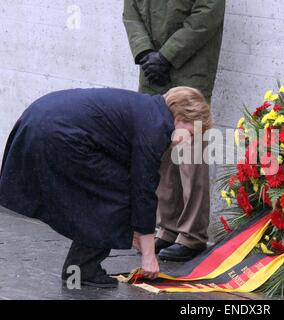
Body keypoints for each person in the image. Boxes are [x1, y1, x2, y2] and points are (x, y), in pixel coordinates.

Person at [0, 87, 212, 288]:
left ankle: (80, 267)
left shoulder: (149, 110)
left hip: (37, 119)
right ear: (182, 117)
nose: (188, 142)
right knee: (119, 196)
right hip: (57, 134)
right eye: (192, 134)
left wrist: (136, 231)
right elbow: (143, 190)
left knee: (110, 190)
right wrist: (149, 257)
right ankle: (83, 268)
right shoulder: (157, 128)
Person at [123, 0, 225, 262]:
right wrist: (145, 52)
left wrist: (166, 56)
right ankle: (167, 228)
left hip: (189, 68)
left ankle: (192, 235)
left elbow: (207, 14)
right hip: (152, 68)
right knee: (160, 151)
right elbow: (131, 12)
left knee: (190, 154)